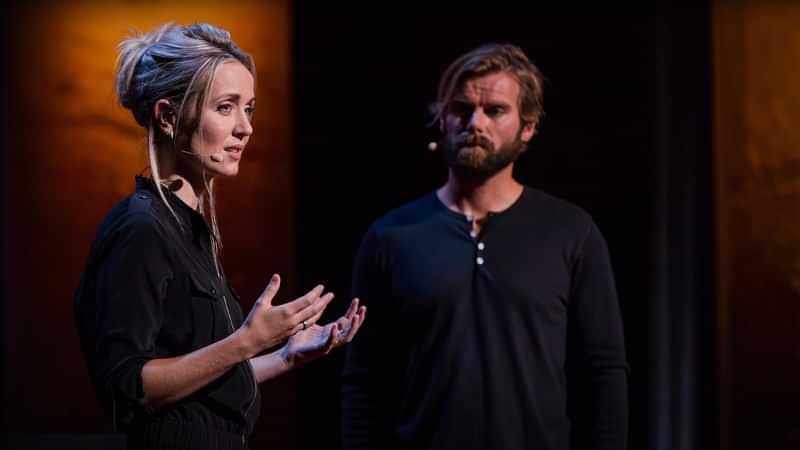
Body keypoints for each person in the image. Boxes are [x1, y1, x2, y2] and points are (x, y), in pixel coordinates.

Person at [73, 23, 366, 450]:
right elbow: (127, 387)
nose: (245, 127)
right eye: (226, 107)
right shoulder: (141, 228)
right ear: (169, 116)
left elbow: (201, 388)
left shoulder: (190, 229)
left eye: (249, 108)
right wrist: (246, 341)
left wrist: (283, 356)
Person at [341, 43, 627, 450]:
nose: (476, 122)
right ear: (442, 119)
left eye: (495, 110)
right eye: (461, 109)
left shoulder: (571, 232)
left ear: (528, 127)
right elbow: (364, 379)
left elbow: (604, 372)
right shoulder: (392, 236)